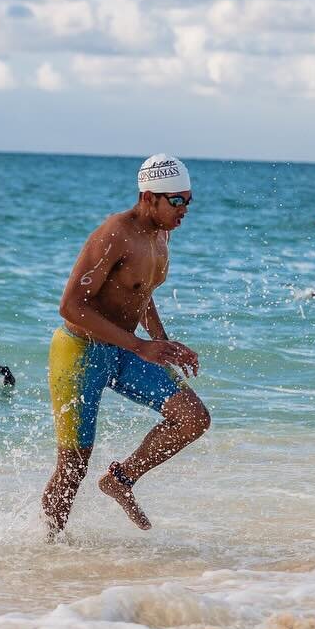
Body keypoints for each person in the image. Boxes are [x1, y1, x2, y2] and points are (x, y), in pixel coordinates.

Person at [41, 153, 210, 540]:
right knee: (73, 467)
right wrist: (139, 344)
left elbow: (141, 291)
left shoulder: (160, 233)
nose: (185, 209)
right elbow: (70, 306)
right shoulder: (114, 233)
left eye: (189, 199)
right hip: (80, 352)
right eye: (177, 201)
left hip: (125, 351)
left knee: (192, 418)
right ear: (149, 197)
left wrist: (161, 342)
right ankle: (48, 550)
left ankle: (121, 478)